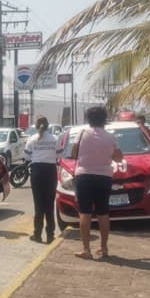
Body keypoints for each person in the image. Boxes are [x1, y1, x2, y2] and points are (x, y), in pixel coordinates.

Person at [73, 106, 123, 259]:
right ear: (104, 119)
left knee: (85, 212)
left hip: (84, 176)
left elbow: (74, 153)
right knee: (103, 213)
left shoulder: (81, 134)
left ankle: (86, 249)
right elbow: (119, 158)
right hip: (104, 177)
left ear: (88, 119)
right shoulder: (110, 137)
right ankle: (104, 248)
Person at [23, 115, 62, 243]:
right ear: (47, 125)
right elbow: (59, 154)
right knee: (49, 205)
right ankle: (50, 235)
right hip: (50, 171)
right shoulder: (54, 139)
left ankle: (37, 234)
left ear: (35, 125)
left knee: (38, 205)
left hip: (37, 172)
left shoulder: (32, 139)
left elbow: (27, 157)